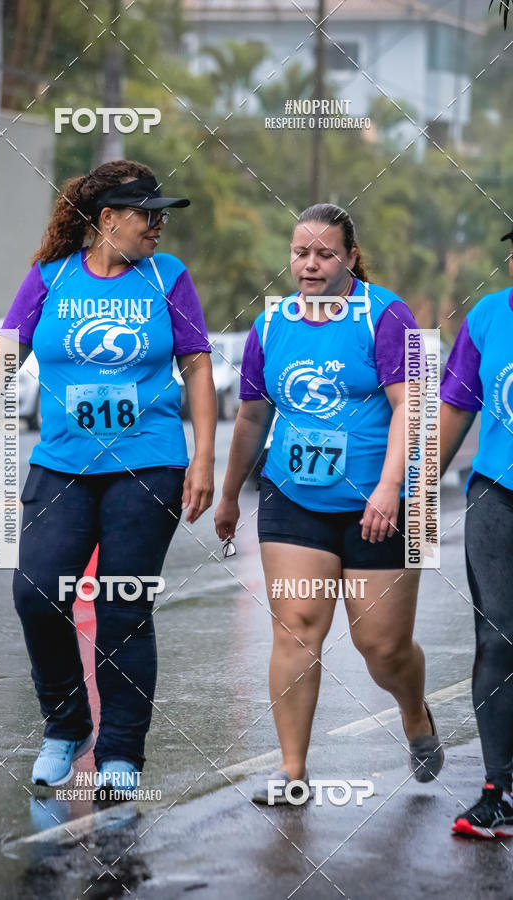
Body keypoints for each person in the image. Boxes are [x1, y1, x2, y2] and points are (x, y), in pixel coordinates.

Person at [0, 160, 216, 790]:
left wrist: (202, 458)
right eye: (149, 215)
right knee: (36, 593)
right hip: (63, 463)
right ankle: (66, 725)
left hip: (148, 464)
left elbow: (198, 367)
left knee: (123, 604)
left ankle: (120, 752)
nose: (159, 227)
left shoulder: (168, 277)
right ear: (109, 219)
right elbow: (2, 360)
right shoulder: (50, 278)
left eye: (162, 216)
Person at [214, 203, 444, 804]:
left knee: (381, 647)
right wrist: (229, 493)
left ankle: (415, 712)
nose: (309, 265)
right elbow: (251, 418)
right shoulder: (272, 325)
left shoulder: (387, 316)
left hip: (383, 501)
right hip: (294, 497)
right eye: (300, 253)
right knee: (295, 631)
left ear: (349, 257)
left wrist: (392, 488)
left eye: (324, 254)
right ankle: (293, 774)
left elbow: (410, 409)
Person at [441, 226, 513, 838]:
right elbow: (455, 408)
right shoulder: (489, 315)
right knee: (498, 637)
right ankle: (498, 789)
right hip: (497, 493)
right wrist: (414, 491)